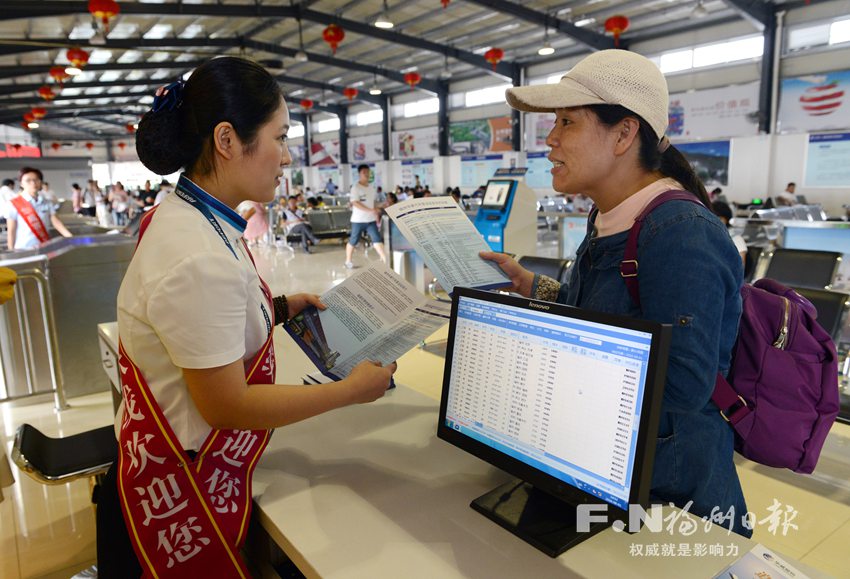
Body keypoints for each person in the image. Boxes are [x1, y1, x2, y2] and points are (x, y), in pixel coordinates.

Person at [96, 57, 396, 577]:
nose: (286, 157)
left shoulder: (189, 217)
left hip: (183, 462)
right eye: (279, 138)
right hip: (186, 484)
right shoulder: (197, 256)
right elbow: (226, 405)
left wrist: (279, 309)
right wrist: (350, 391)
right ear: (228, 140)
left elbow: (197, 326)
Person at [481, 49, 749, 537]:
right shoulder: (608, 215)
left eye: (567, 122)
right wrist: (532, 288)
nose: (551, 140)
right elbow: (605, 314)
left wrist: (537, 355)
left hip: (669, 499)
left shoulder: (682, 232)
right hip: (602, 471)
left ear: (625, 133)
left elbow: (684, 383)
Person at [5, 167, 73, 250]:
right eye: (28, 180)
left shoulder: (47, 202)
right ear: (21, 183)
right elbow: (11, 230)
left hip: (44, 247)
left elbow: (56, 222)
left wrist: (70, 237)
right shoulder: (14, 204)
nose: (33, 183)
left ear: (40, 182)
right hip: (23, 249)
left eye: (36, 180)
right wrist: (11, 250)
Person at [345, 163, 387, 269]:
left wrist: (380, 205)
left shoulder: (371, 188)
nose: (366, 174)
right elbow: (355, 203)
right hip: (358, 220)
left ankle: (384, 260)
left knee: (377, 239)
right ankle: (348, 261)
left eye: (368, 172)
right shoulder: (355, 188)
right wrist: (371, 210)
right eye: (364, 172)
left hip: (370, 220)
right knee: (353, 240)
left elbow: (372, 203)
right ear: (359, 174)